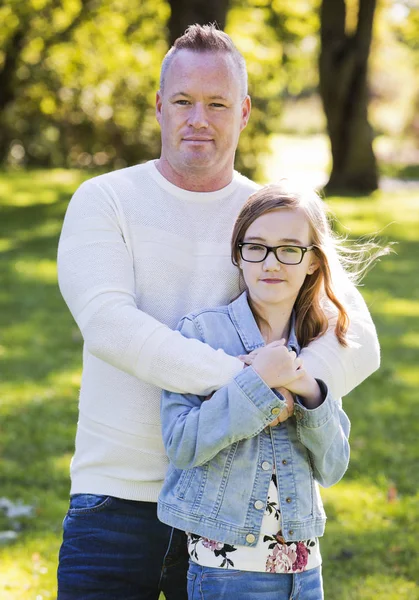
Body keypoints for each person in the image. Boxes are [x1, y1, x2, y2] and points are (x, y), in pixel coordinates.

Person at [56, 24, 380, 600]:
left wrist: (300, 388)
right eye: (182, 101)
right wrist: (253, 385)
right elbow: (109, 326)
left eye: (217, 103)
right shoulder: (105, 199)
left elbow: (356, 336)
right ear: (159, 106)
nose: (197, 118)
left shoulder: (268, 217)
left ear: (245, 111)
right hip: (115, 499)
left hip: (233, 505)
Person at [158, 182, 383, 599]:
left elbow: (333, 466)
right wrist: (256, 383)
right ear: (238, 255)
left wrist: (308, 390)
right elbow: (182, 445)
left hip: (306, 571)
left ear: (313, 261)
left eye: (289, 249)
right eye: (256, 247)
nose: (271, 263)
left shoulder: (319, 343)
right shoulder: (202, 333)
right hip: (228, 570)